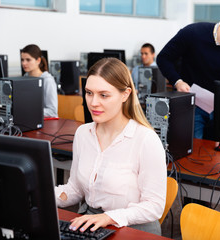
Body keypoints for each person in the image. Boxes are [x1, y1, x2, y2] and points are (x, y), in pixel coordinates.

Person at [54, 58, 167, 235]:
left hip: (134, 230)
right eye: (89, 93)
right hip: (92, 223)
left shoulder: (145, 140)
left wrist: (108, 217)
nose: (93, 102)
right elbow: (75, 189)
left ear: (125, 94)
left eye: (103, 95)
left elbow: (154, 206)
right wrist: (41, 194)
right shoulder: (83, 133)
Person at [157, 6, 220, 140]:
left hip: (219, 107)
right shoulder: (193, 32)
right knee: (194, 150)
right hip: (192, 103)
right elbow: (163, 58)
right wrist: (177, 81)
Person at [21, 44, 58, 118]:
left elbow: (52, 111)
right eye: (22, 60)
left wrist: (28, 110)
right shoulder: (25, 77)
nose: (24, 63)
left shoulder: (48, 80)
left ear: (38, 60)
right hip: (29, 118)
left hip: (46, 123)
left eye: (28, 60)